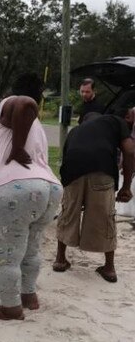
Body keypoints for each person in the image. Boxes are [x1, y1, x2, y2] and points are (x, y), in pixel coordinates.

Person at [0, 73, 62, 321]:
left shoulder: (13, 102)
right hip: (48, 189)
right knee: (30, 249)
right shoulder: (38, 128)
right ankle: (28, 297)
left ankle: (10, 308)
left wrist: (16, 149)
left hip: (11, 189)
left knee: (4, 255)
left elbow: (24, 103)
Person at [53, 109, 135, 283]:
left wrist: (76, 196)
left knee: (68, 212)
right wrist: (126, 187)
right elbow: (130, 151)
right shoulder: (115, 120)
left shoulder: (76, 131)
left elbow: (66, 158)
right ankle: (109, 267)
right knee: (106, 216)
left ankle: (60, 259)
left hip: (72, 170)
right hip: (102, 169)